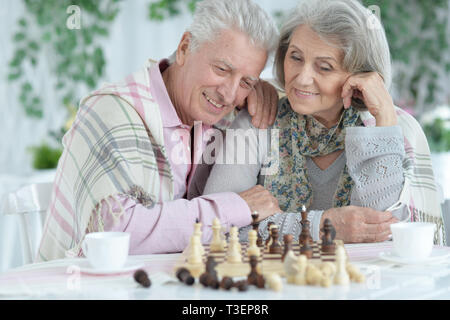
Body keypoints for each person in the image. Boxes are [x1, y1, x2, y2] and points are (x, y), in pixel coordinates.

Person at [36, 0, 280, 261]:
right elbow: (115, 229)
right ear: (185, 48)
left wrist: (267, 90)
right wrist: (238, 206)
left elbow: (307, 100)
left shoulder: (213, 113)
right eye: (221, 69)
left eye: (245, 81)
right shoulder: (112, 111)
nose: (229, 94)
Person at [204, 0, 445, 245]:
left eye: (325, 67)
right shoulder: (258, 120)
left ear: (359, 75)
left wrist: (383, 117)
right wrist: (322, 226)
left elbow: (382, 235)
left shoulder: (390, 130)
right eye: (296, 57)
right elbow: (215, 227)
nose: (302, 78)